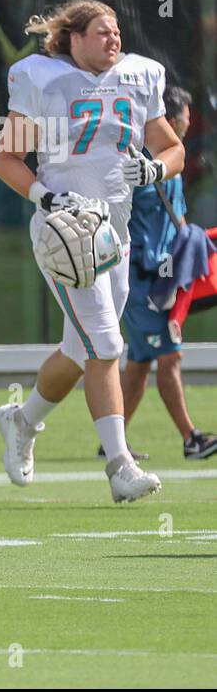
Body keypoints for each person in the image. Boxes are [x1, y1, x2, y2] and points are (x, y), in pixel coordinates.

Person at [0, 0, 185, 501]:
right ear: (72, 39)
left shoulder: (140, 77)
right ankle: (120, 467)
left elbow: (174, 149)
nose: (114, 39)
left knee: (82, 351)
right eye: (101, 32)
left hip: (115, 238)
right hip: (64, 234)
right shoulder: (44, 79)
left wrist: (153, 169)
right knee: (106, 344)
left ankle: (23, 421)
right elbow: (6, 158)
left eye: (117, 31)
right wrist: (44, 195)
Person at [117, 85, 217, 460]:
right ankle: (191, 438)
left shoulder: (170, 163)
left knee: (140, 365)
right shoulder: (139, 165)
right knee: (170, 357)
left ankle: (112, 441)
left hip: (162, 277)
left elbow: (176, 218)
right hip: (140, 278)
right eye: (185, 115)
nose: (190, 121)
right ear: (169, 120)